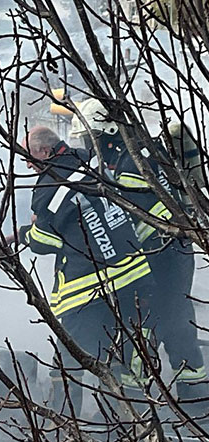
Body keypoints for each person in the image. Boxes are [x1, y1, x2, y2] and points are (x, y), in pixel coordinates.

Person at [69, 98, 206, 400]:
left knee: (142, 326)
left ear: (104, 135)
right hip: (178, 254)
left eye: (89, 139)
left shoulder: (132, 168)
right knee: (177, 321)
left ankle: (132, 406)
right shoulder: (147, 153)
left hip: (160, 259)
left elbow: (132, 221)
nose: (90, 148)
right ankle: (196, 401)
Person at [21, 125, 152, 413]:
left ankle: (70, 427)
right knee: (127, 355)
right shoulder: (89, 160)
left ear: (44, 152)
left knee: (69, 361)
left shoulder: (48, 187)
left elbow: (44, 242)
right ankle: (136, 422)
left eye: (27, 157)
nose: (27, 164)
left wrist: (25, 232)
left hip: (89, 288)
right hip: (134, 272)